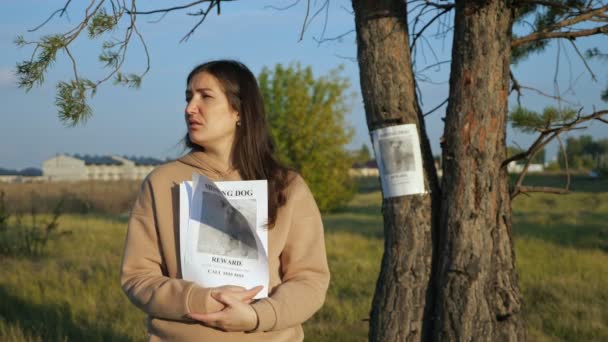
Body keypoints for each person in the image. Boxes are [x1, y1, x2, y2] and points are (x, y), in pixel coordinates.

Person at [120, 59, 330, 341]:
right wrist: (201, 299)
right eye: (188, 97)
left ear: (239, 110)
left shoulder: (287, 187)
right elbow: (138, 278)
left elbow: (310, 280)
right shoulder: (162, 182)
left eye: (205, 96)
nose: (190, 108)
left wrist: (258, 316)